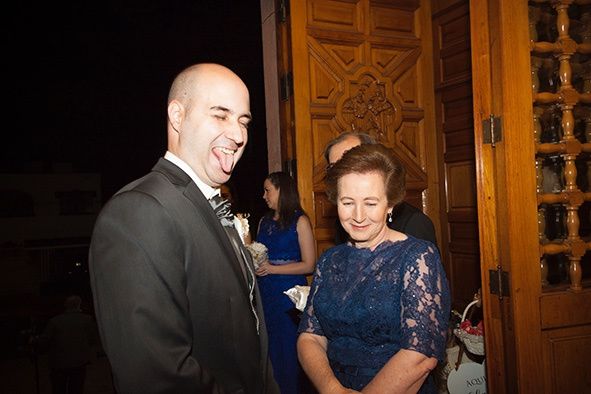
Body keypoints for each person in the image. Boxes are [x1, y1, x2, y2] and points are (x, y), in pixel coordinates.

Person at [89, 63, 279, 393]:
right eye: (220, 115)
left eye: (243, 121)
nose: (238, 135)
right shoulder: (139, 211)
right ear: (177, 116)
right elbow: (157, 376)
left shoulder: (207, 202)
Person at [297, 143, 450, 393]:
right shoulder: (329, 260)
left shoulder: (418, 257)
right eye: (347, 202)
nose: (358, 216)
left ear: (390, 204)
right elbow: (310, 336)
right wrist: (331, 388)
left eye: (370, 203)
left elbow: (421, 355)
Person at [255, 171, 316, 394]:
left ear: (281, 190)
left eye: (267, 190)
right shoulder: (263, 221)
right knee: (269, 348)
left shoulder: (300, 221)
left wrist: (273, 268)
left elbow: (309, 264)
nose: (264, 196)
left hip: (290, 296)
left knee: (289, 350)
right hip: (266, 292)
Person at [324, 131, 438, 246]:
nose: (358, 217)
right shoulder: (342, 223)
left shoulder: (415, 223)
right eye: (334, 167)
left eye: (353, 159)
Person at [37, 295, 95, 394]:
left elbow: (44, 341)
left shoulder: (54, 321)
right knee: (76, 388)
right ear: (79, 304)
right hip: (79, 361)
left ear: (65, 305)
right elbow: (91, 339)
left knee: (59, 388)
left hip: (59, 363)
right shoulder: (87, 319)